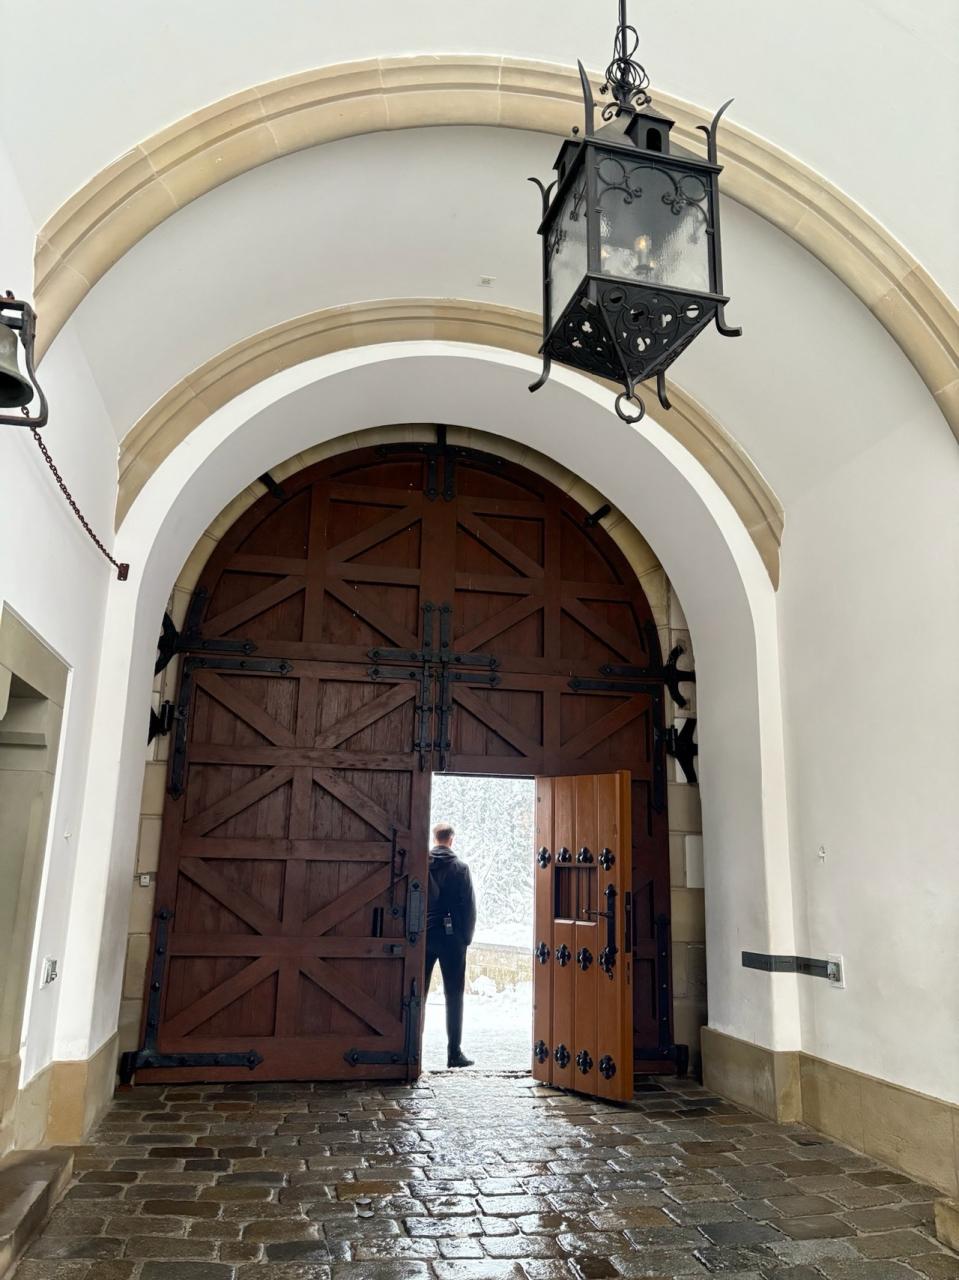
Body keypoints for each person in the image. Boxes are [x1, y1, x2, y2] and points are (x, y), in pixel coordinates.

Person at [424, 822, 477, 1068]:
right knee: (454, 996)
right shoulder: (460, 869)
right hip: (452, 937)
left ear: (435, 839)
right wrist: (466, 937)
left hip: (423, 935)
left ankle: (412, 1048)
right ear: (451, 840)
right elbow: (469, 908)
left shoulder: (422, 865)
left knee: (417, 994)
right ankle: (454, 1053)